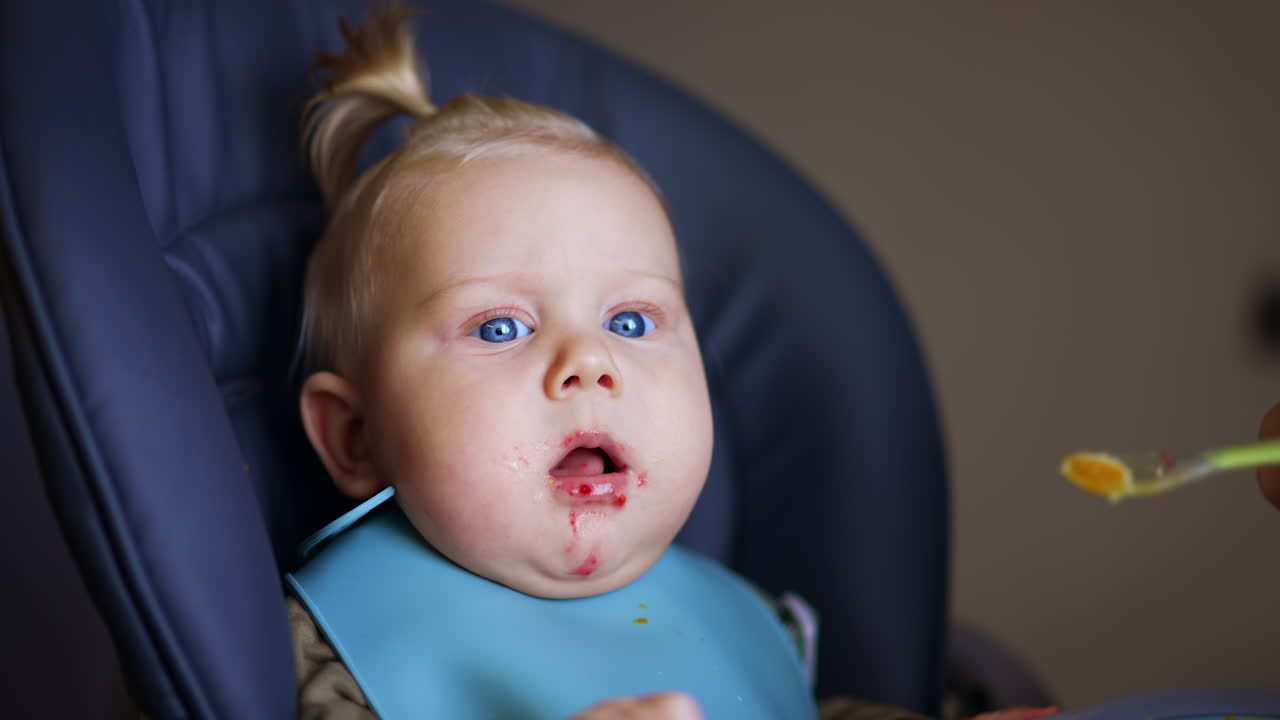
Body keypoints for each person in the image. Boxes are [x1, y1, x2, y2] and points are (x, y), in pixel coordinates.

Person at [286, 5, 1059, 720]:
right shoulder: (312, 647)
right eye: (499, 328)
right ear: (357, 437)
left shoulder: (742, 619)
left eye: (630, 319)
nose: (589, 361)